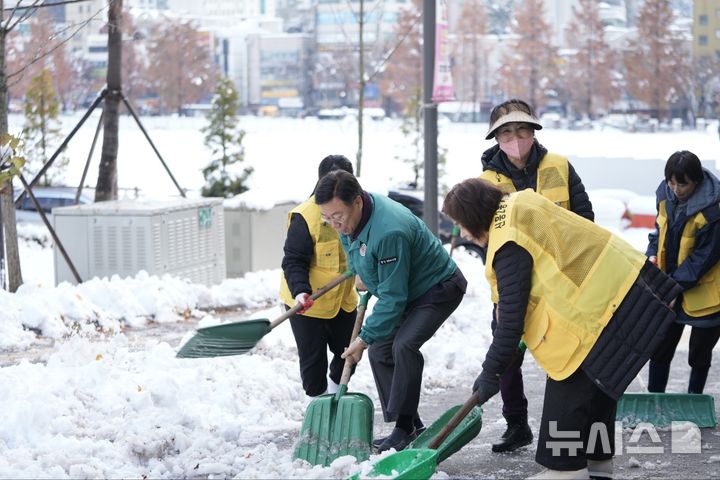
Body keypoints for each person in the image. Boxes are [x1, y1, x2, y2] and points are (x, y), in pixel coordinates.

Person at [442, 178, 680, 480]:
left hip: (598, 312)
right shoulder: (521, 204)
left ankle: (565, 470)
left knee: (567, 392)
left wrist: (491, 372)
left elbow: (511, 319)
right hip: (628, 291)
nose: (462, 232)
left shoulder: (506, 243)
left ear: (475, 216)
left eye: (461, 223)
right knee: (598, 391)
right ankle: (597, 465)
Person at [314, 170, 467, 453]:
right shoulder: (351, 220)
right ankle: (408, 424)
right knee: (381, 350)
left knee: (404, 345)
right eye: (327, 217)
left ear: (357, 202)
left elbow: (393, 298)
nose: (334, 224)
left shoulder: (389, 230)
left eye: (338, 216)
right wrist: (362, 273)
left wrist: (362, 338)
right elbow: (358, 250)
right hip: (407, 290)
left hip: (438, 288)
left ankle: (402, 427)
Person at [480, 98, 594, 453]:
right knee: (509, 357)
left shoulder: (560, 166)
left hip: (562, 283)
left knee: (565, 356)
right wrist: (501, 297)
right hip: (517, 287)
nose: (516, 138)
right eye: (507, 132)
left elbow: (586, 220)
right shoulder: (487, 183)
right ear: (497, 138)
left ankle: (564, 428)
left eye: (522, 129)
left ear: (533, 131)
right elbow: (487, 242)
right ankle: (517, 425)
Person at [279, 155, 358, 398]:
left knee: (350, 352)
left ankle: (335, 395)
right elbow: (293, 260)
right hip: (307, 301)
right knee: (313, 362)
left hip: (343, 299)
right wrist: (300, 291)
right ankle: (317, 406)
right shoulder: (306, 216)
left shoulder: (358, 208)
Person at [646, 150, 720, 394]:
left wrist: (670, 286)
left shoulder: (713, 209)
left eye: (683, 184)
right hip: (670, 286)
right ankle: (655, 397)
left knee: (699, 353)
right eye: (671, 181)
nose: (676, 188)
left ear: (696, 181)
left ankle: (694, 400)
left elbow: (703, 258)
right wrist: (652, 253)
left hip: (706, 292)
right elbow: (659, 231)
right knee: (660, 347)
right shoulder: (664, 195)